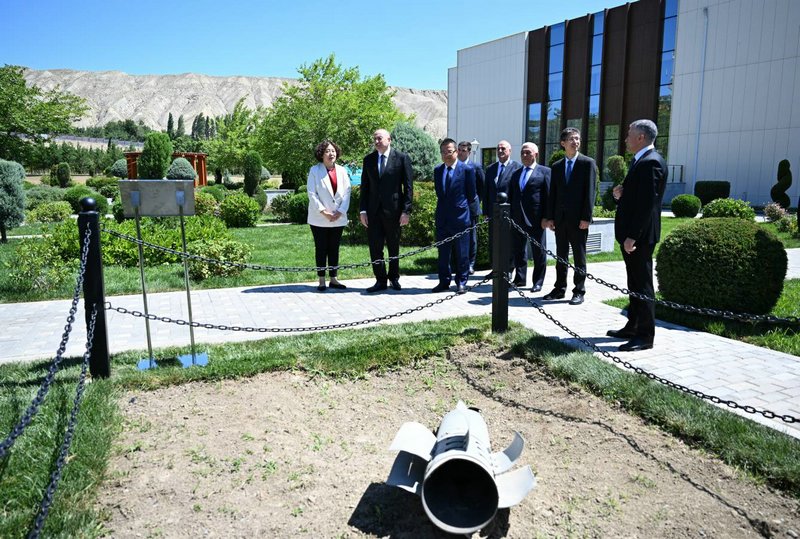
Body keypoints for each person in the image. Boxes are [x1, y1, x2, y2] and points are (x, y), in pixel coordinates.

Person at [607, 119, 668, 352]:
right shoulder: (640, 160)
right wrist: (620, 194)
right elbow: (637, 196)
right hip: (633, 235)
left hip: (639, 237)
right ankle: (633, 326)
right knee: (634, 282)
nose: (625, 139)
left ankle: (644, 335)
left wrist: (633, 235)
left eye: (629, 134)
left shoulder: (651, 162)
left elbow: (647, 205)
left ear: (641, 137)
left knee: (642, 285)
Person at [542, 127, 597, 305]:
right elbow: (553, 194)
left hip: (579, 220)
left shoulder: (587, 163)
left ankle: (579, 290)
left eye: (577, 139)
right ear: (563, 143)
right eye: (572, 139)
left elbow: (590, 193)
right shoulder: (557, 167)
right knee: (561, 256)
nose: (575, 142)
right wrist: (550, 217)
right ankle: (559, 288)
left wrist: (586, 218)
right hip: (560, 220)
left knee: (579, 256)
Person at [359, 128, 414, 293]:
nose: (376, 141)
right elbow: (365, 187)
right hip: (373, 212)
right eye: (375, 139)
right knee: (375, 248)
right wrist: (363, 211)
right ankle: (380, 280)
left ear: (389, 140)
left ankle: (394, 278)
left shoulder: (402, 158)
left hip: (394, 212)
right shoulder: (368, 160)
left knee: (393, 246)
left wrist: (406, 211)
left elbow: (408, 187)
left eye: (380, 138)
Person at [432, 138, 477, 294]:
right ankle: (443, 281)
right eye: (443, 152)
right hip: (442, 219)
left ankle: (461, 282)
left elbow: (471, 195)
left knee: (462, 254)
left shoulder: (467, 170)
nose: (446, 155)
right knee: (443, 254)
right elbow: (440, 193)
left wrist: (463, 210)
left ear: (456, 152)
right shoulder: (438, 170)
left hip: (460, 218)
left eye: (449, 151)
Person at [306, 140, 351, 291]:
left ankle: (333, 279)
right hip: (319, 218)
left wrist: (340, 211)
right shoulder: (314, 170)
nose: (331, 154)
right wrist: (323, 212)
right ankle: (321, 280)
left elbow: (347, 192)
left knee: (334, 248)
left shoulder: (342, 170)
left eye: (333, 151)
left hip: (338, 217)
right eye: (327, 151)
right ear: (321, 154)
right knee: (321, 248)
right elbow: (312, 193)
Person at [507, 143, 551, 291]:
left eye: (528, 153)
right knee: (518, 250)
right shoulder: (516, 173)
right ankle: (520, 279)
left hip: (537, 220)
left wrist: (546, 217)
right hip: (517, 219)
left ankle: (538, 282)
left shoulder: (545, 172)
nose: (524, 155)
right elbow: (512, 196)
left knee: (539, 252)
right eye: (522, 153)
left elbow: (548, 196)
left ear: (535, 154)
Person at [483, 140, 522, 269]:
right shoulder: (490, 169)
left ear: (510, 151)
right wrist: (485, 212)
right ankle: (495, 268)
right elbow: (486, 191)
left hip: (509, 213)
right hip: (493, 212)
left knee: (508, 242)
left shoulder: (517, 168)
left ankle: (509, 268)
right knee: (494, 241)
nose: (500, 151)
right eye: (498, 149)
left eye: (503, 149)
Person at [457, 141, 485, 274]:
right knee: (458, 236)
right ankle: (459, 263)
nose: (460, 153)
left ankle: (471, 263)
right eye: (459, 150)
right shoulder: (454, 166)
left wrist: (476, 202)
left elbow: (482, 187)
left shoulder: (476, 167)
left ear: (469, 152)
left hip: (471, 208)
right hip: (457, 208)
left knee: (471, 237)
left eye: (463, 150)